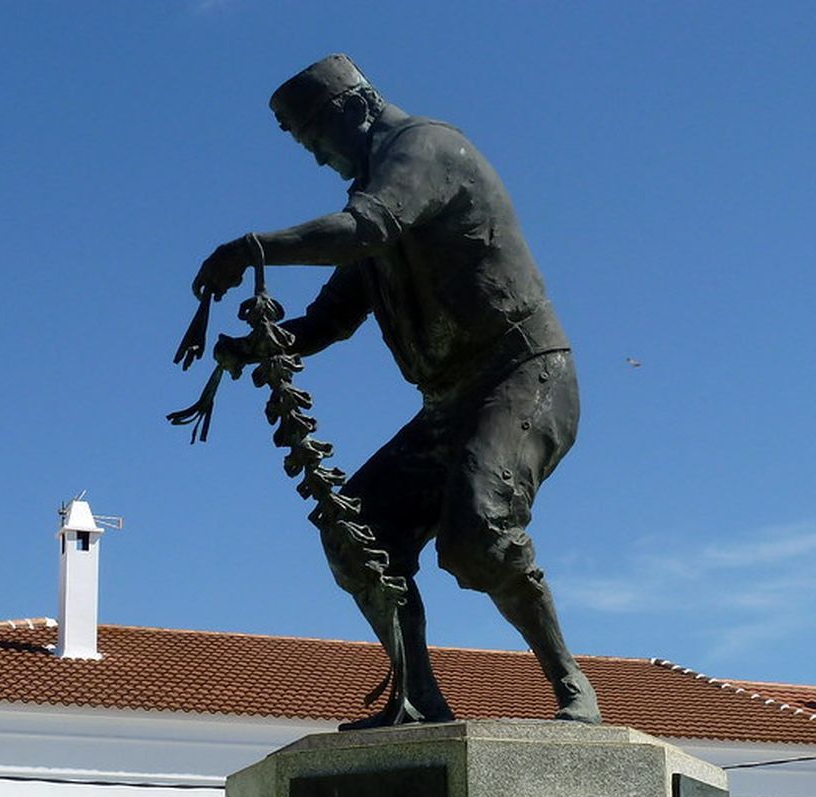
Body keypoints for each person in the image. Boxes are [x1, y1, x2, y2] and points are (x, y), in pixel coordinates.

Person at [191, 54, 600, 726]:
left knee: (478, 532)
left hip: (523, 374)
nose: (320, 159)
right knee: (357, 531)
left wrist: (253, 248)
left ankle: (569, 681)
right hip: (447, 403)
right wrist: (257, 345)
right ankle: (417, 697)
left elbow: (367, 228)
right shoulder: (378, 193)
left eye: (316, 139)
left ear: (355, 107)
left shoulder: (425, 150)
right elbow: (329, 319)